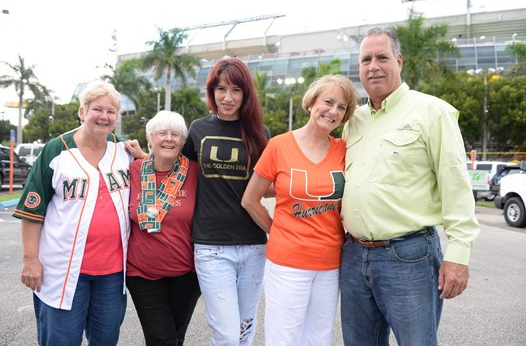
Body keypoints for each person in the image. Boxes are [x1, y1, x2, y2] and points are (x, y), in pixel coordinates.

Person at [339, 27, 481, 345]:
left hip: (408, 257)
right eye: (365, 59)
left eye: (382, 57)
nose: (373, 66)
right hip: (352, 255)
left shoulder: (432, 112)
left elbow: (455, 185)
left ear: (399, 61)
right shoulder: (353, 120)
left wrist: (458, 255)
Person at [14, 81, 145, 346]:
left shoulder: (125, 151)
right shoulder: (56, 150)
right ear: (82, 112)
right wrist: (30, 260)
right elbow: (32, 212)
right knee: (60, 340)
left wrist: (144, 157)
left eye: (111, 111)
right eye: (97, 109)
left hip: (111, 273)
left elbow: (155, 178)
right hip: (62, 271)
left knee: (106, 340)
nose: (104, 116)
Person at [242, 75, 358, 345]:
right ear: (311, 102)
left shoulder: (345, 149)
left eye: (341, 107)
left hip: (330, 264)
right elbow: (250, 199)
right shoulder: (279, 145)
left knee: (319, 339)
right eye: (328, 102)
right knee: (283, 338)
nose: (333, 111)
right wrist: (279, 231)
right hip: (287, 264)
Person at [182, 57, 270, 345]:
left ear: (246, 94)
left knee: (245, 329)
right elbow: (177, 174)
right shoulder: (197, 130)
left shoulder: (260, 134)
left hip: (253, 246)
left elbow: (266, 186)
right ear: (212, 91)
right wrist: (143, 158)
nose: (227, 98)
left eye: (235, 90)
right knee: (228, 335)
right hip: (211, 247)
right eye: (221, 89)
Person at [126, 110, 201, 346]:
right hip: (143, 274)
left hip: (187, 276)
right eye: (162, 133)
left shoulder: (196, 172)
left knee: (176, 338)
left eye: (176, 134)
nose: (169, 138)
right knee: (162, 339)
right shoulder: (134, 170)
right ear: (149, 139)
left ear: (184, 142)